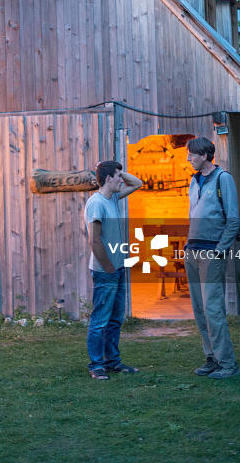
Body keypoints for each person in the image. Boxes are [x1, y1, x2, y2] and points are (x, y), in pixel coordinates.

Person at [184, 136, 240, 379]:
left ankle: (228, 364)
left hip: (211, 253)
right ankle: (212, 358)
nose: (189, 158)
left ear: (205, 155)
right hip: (192, 252)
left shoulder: (223, 179)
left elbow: (234, 219)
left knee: (213, 309)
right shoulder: (194, 182)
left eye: (193, 155)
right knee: (199, 309)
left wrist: (219, 249)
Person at [84, 160, 143, 380]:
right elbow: (94, 241)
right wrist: (109, 268)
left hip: (117, 269)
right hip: (105, 271)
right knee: (100, 320)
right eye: (117, 176)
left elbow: (138, 182)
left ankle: (112, 363)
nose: (122, 179)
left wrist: (114, 170)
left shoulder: (113, 198)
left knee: (115, 319)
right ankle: (96, 366)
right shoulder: (96, 203)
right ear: (108, 179)